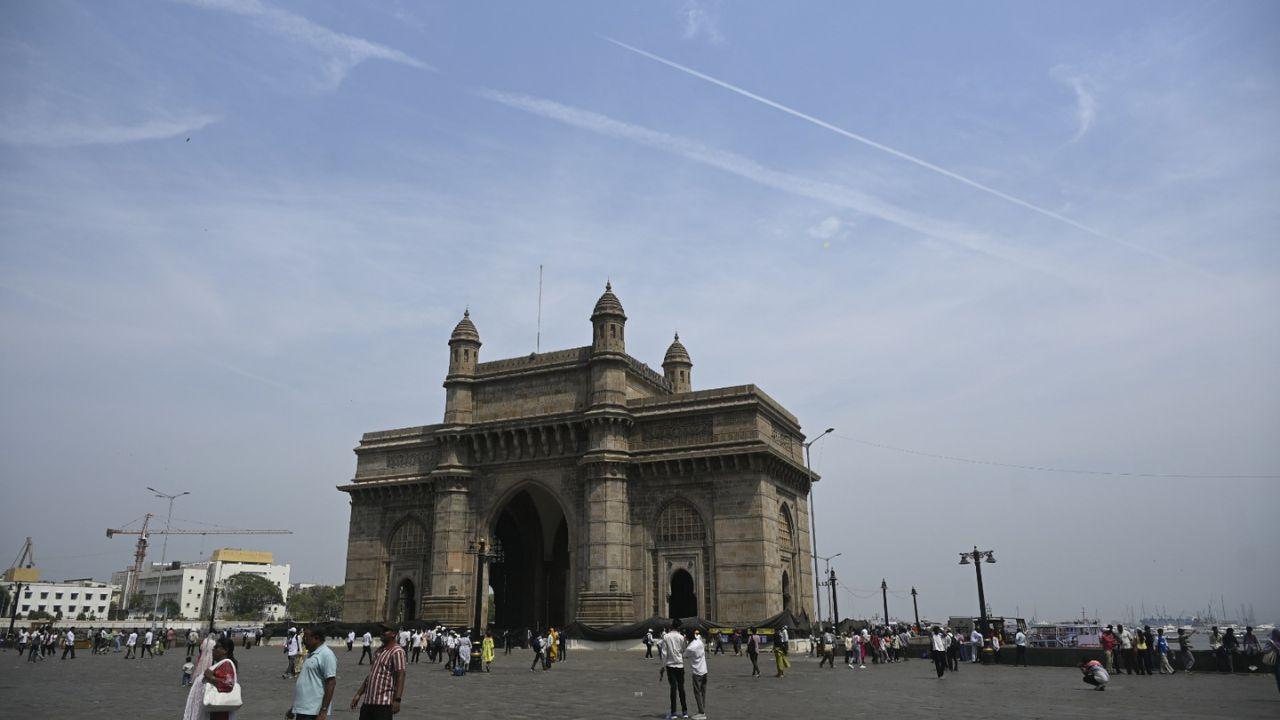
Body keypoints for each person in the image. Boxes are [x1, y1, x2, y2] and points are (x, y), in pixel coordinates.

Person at [351, 626, 406, 720]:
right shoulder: (379, 651)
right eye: (382, 630)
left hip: (383, 703)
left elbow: (401, 676)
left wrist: (397, 700)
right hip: (368, 701)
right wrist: (358, 694)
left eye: (385, 631)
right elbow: (371, 675)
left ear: (393, 634)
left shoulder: (397, 652)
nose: (382, 633)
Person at [287, 627, 337, 720]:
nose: (303, 641)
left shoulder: (326, 655)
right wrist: (294, 708)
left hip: (313, 711)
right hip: (302, 709)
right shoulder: (311, 654)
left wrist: (323, 711)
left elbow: (331, 683)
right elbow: (306, 682)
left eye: (306, 638)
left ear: (316, 638)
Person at [200, 637, 240, 720]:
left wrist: (211, 677)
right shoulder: (221, 664)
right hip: (218, 709)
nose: (213, 649)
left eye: (216, 647)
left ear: (225, 650)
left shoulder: (226, 664)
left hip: (220, 710)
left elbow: (228, 684)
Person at [661, 619, 689, 719]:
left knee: (673, 689)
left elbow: (664, 653)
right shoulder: (681, 637)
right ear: (679, 627)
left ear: (671, 626)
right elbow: (684, 650)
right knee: (681, 688)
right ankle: (685, 712)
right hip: (680, 665)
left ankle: (673, 713)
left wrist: (662, 666)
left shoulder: (666, 637)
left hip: (670, 665)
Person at [685, 627, 708, 720]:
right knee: (703, 692)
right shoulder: (699, 641)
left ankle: (701, 712)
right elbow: (697, 637)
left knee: (697, 693)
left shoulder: (691, 647)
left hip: (697, 672)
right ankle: (702, 710)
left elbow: (684, 655)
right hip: (704, 670)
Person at [1263, 628, 1280, 694]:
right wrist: (1272, 646)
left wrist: (1274, 646)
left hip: (1277, 662)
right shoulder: (1271, 642)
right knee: (1278, 678)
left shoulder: (1273, 642)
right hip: (1277, 662)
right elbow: (1265, 650)